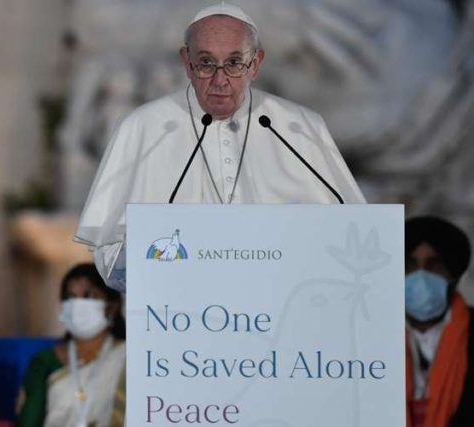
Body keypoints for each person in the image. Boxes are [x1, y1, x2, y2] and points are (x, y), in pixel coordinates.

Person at [74, 2, 365, 291]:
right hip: (177, 319)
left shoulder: (299, 127)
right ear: (187, 63)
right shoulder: (142, 128)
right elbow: (109, 257)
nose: (220, 79)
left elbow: (352, 237)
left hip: (285, 317)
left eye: (235, 63)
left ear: (256, 63)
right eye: (206, 63)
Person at [17, 263, 126, 427]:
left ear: (112, 307)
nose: (77, 304)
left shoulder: (130, 356)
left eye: (89, 296)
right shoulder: (45, 360)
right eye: (70, 297)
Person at [405, 216, 474, 427]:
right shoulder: (368, 337)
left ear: (453, 275)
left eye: (434, 266)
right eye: (410, 265)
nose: (421, 275)